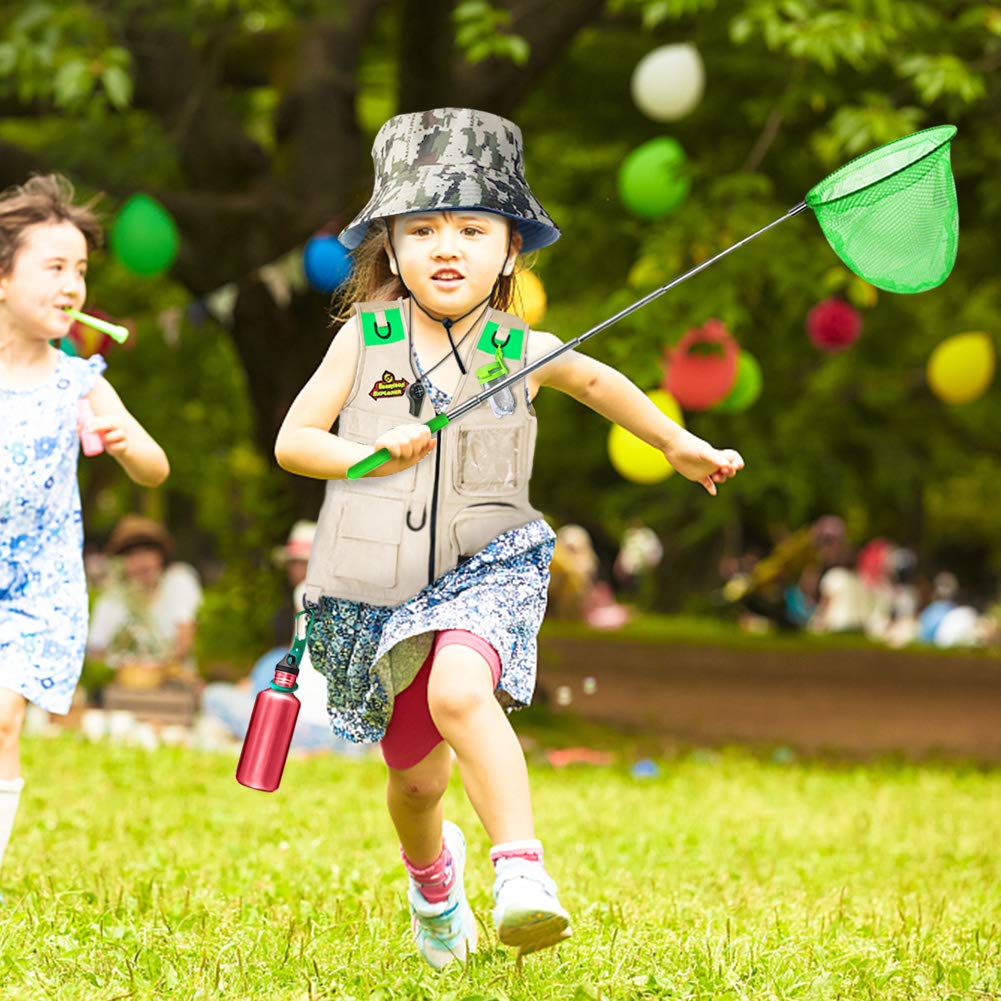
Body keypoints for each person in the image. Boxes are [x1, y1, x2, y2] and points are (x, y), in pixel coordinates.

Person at [274, 107, 744, 968]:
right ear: (391, 248)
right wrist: (368, 452)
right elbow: (294, 442)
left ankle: (521, 871)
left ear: (509, 251)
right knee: (415, 780)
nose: (445, 245)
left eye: (471, 227)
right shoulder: (365, 340)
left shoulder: (516, 347)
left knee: (459, 689)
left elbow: (599, 381)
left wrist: (676, 442)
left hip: (488, 563)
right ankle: (431, 874)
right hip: (384, 578)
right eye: (421, 229)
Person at [0, 175, 169, 875]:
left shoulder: (80, 378)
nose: (72, 285)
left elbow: (155, 467)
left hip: (39, 585)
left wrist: (130, 448)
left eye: (81, 270)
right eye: (53, 267)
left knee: (2, 718)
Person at [200, 521, 364, 754]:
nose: (297, 570)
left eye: (304, 563)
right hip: (348, 729)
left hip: (309, 727)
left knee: (214, 696)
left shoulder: (307, 593)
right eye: (294, 564)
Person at [87, 515, 203, 681]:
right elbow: (96, 651)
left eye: (147, 551)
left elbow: (184, 640)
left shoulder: (178, 581)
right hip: (122, 685)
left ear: (161, 555)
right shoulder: (111, 599)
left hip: (173, 682)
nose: (140, 561)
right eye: (131, 554)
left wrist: (156, 671)